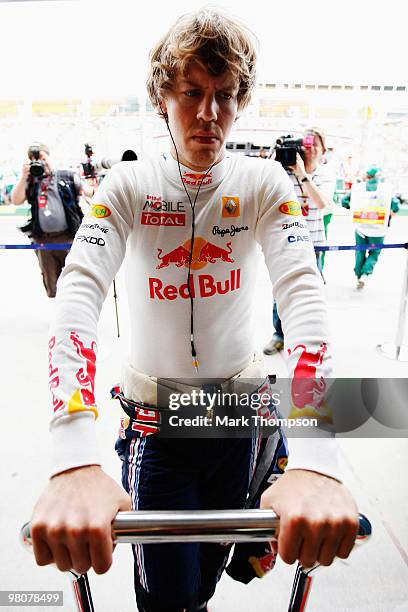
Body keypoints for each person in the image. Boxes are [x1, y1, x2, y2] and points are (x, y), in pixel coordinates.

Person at [31, 9, 358, 612]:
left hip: (238, 414)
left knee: (209, 574)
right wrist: (73, 455)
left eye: (225, 96)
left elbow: (304, 299)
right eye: (192, 94)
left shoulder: (265, 184)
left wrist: (317, 456)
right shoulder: (126, 186)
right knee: (167, 593)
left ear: (240, 101)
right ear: (163, 95)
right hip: (158, 421)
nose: (209, 114)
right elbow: (77, 299)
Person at [263, 127, 334, 355]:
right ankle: (279, 334)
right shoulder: (284, 172)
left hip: (314, 243)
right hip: (287, 242)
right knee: (280, 292)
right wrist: (273, 165)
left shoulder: (325, 174)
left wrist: (303, 175)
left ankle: (306, 339)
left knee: (309, 291)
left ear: (323, 150)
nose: (310, 147)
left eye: (315, 143)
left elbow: (322, 204)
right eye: (305, 143)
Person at [11, 143, 92, 298]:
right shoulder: (31, 181)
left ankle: (73, 311)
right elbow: (16, 200)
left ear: (49, 156)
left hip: (68, 237)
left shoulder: (67, 175)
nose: (41, 163)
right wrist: (24, 176)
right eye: (35, 160)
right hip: (43, 240)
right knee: (52, 285)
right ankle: (60, 313)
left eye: (42, 158)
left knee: (74, 280)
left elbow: (89, 192)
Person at [341, 166, 400, 289]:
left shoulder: (358, 188)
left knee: (360, 250)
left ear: (367, 176)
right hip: (378, 228)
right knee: (374, 252)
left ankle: (358, 273)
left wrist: (350, 207)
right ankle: (365, 274)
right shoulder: (386, 189)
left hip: (361, 226)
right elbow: (395, 206)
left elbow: (344, 201)